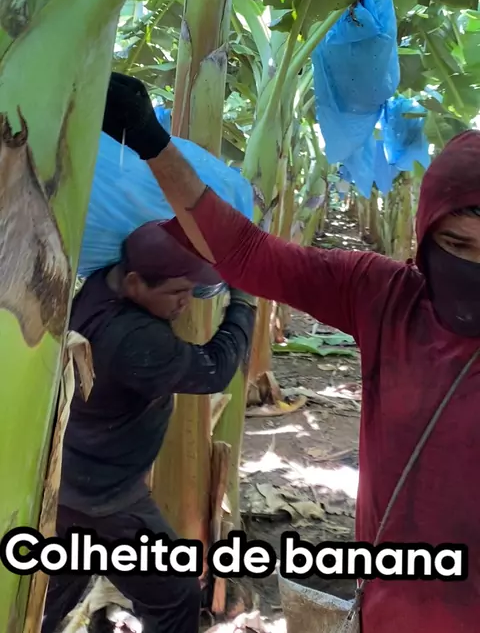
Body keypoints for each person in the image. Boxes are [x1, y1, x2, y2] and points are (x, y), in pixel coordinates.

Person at [101, 72, 480, 633]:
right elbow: (250, 254)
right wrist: (152, 143)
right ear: (426, 237)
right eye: (457, 245)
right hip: (389, 609)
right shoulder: (385, 297)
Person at [42, 221, 256, 633]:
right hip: (107, 500)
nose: (186, 302)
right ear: (135, 282)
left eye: (190, 290)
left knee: (53, 594)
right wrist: (243, 306)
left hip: (70, 480)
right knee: (176, 595)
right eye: (176, 292)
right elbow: (213, 369)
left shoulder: (101, 286)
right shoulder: (134, 339)